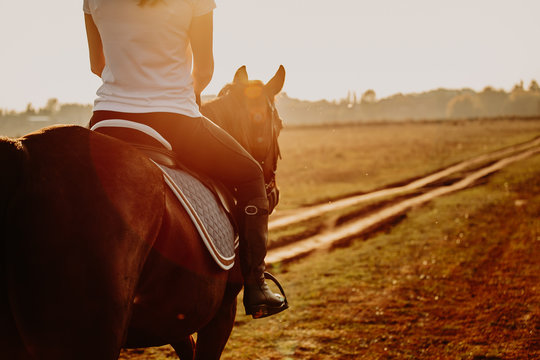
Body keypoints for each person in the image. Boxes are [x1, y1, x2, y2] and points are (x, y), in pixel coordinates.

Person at [83, 0, 288, 318]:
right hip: (171, 119)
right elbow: (204, 70)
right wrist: (172, 90)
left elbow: (98, 65)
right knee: (249, 173)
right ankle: (257, 285)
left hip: (107, 119)